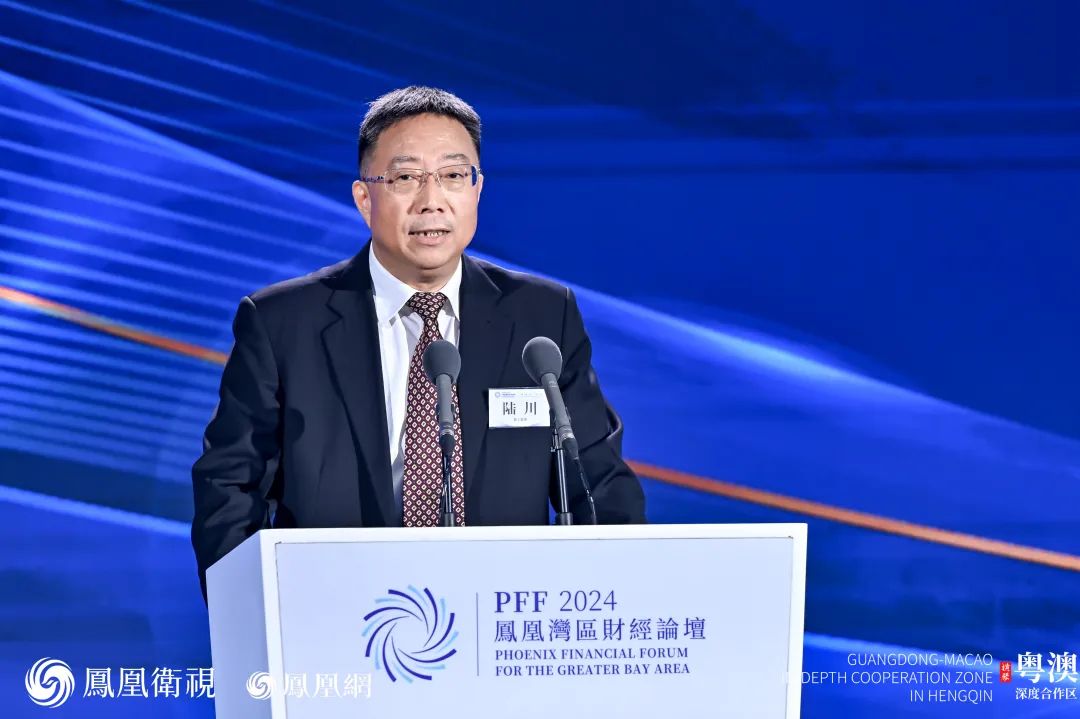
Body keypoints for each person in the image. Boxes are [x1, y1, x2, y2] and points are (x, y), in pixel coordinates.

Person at [191, 86, 645, 595]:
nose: (432, 202)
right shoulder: (282, 323)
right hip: (338, 611)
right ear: (365, 198)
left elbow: (596, 482)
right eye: (406, 178)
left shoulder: (541, 316)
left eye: (453, 176)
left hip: (502, 617)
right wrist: (252, 614)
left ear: (477, 190)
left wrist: (614, 601)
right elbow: (230, 487)